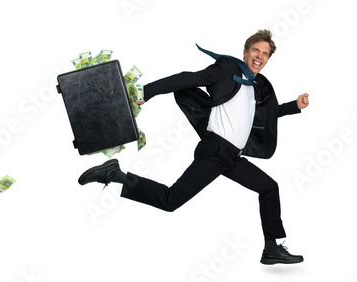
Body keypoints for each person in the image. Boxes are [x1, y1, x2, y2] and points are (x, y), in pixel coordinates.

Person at [78, 29, 309, 265]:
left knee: (269, 188)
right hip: (215, 152)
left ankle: (271, 249)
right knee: (170, 200)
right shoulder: (228, 69)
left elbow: (264, 116)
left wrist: (294, 106)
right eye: (256, 50)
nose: (260, 56)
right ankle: (115, 175)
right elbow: (187, 77)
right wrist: (147, 92)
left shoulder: (255, 85)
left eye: (265, 54)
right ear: (245, 52)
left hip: (231, 158)